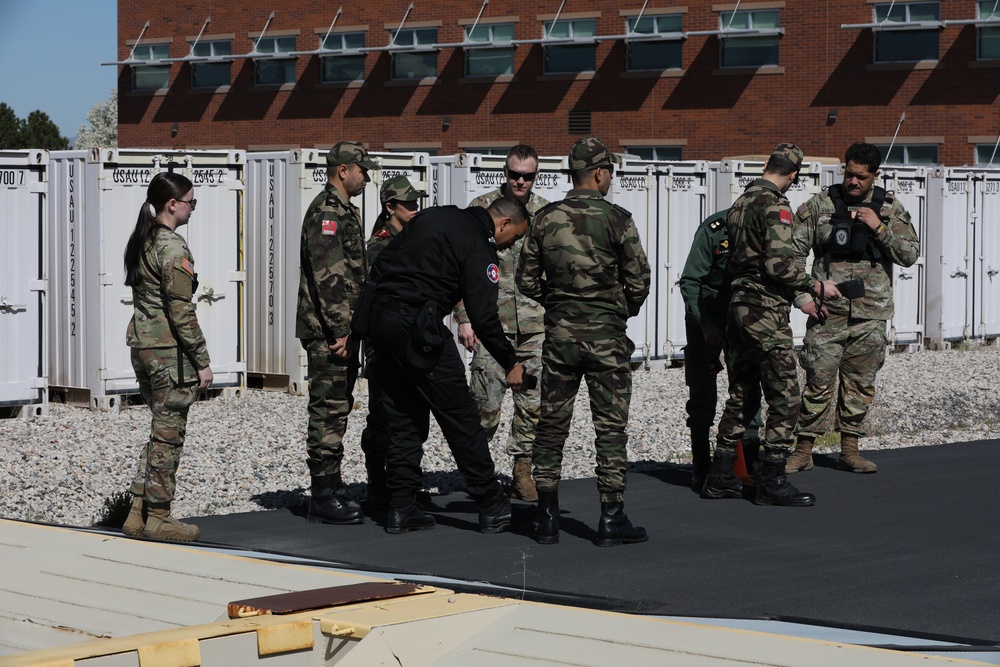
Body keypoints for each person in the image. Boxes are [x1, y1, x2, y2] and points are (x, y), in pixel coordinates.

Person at [365, 196, 531, 534]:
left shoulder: (432, 217)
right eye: (512, 238)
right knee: (461, 416)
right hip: (417, 327)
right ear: (504, 224)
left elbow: (382, 267)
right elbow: (484, 317)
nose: (508, 245)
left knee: (404, 414)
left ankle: (402, 506)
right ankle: (491, 503)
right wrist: (511, 361)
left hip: (381, 323)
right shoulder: (478, 245)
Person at [517, 137, 651, 547]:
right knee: (610, 428)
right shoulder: (618, 219)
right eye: (609, 171)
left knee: (552, 425)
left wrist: (560, 306)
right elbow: (639, 281)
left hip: (560, 338)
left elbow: (525, 280)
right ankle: (612, 519)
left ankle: (546, 518)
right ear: (599, 172)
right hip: (607, 339)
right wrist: (614, 312)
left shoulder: (543, 219)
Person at [702, 143, 841, 507]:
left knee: (742, 393)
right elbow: (778, 266)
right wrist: (816, 285)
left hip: (737, 308)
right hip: (764, 310)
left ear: (769, 165)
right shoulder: (776, 206)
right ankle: (773, 478)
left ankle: (720, 476)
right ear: (793, 175)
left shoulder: (740, 204)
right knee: (785, 394)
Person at [786, 143, 920, 474]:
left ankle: (850, 449)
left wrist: (879, 227)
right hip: (827, 311)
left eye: (861, 176)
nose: (853, 181)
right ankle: (803, 451)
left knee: (860, 383)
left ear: (875, 176)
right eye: (849, 174)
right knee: (818, 379)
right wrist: (803, 297)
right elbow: (789, 254)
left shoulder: (888, 209)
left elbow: (909, 255)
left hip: (871, 314)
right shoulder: (821, 205)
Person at [454, 144, 550, 502]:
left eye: (528, 175)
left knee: (533, 404)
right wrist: (464, 318)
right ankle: (478, 472)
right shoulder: (481, 211)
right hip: (489, 324)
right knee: (484, 405)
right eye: (514, 174)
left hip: (534, 325)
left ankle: (522, 472)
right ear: (504, 174)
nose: (521, 181)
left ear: (536, 175)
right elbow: (461, 267)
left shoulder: (544, 214)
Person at [121, 172, 213, 542]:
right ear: (172, 204)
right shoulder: (172, 247)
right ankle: (159, 516)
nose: (194, 209)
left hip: (144, 347)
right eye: (191, 202)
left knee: (160, 430)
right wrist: (203, 360)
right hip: (167, 353)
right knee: (169, 436)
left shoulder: (143, 240)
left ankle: (137, 512)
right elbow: (181, 311)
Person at [296, 141, 380, 525]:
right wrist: (342, 330)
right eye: (362, 170)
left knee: (339, 407)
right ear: (343, 170)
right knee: (328, 409)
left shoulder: (344, 209)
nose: (366, 177)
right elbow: (328, 276)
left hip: (340, 328)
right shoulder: (328, 212)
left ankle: (332, 484)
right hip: (330, 331)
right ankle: (321, 495)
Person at [678, 209, 763, 491]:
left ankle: (748, 462)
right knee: (702, 390)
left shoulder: (767, 228)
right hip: (708, 314)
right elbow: (691, 280)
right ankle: (701, 464)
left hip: (745, 316)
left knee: (748, 386)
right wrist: (704, 324)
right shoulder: (714, 230)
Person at [359, 175, 428, 509]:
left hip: (412, 335)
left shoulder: (414, 238)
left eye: (417, 203)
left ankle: (404, 481)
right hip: (384, 339)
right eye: (409, 204)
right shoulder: (381, 244)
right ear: (390, 207)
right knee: (384, 413)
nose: (415, 210)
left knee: (413, 411)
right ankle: (377, 484)